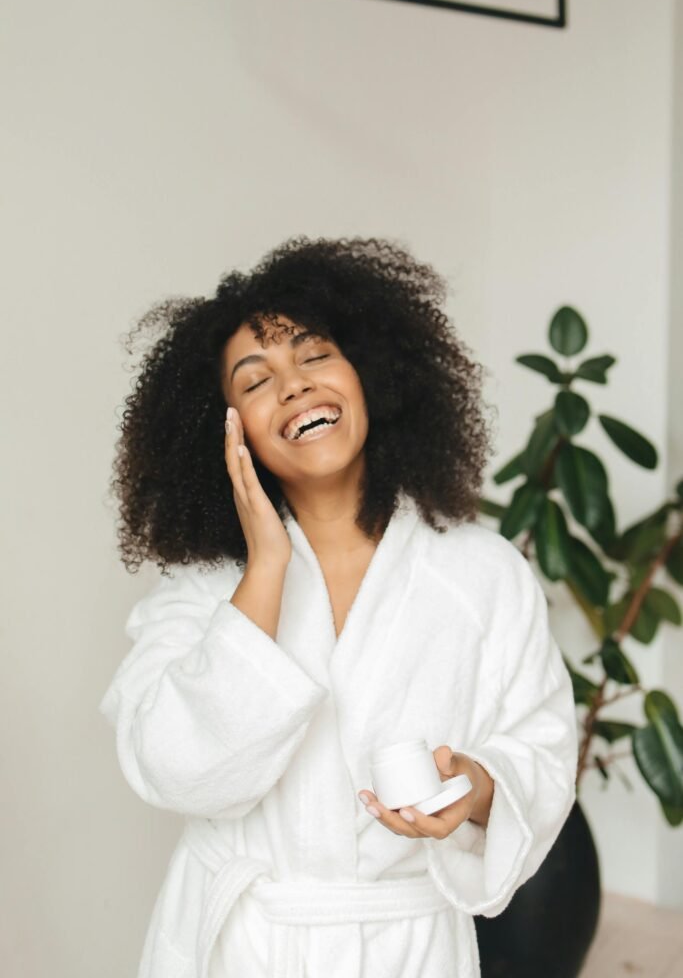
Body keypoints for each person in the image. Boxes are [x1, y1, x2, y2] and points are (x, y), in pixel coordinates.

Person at [99, 236, 578, 978]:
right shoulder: (200, 588)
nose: (292, 385)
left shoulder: (481, 573)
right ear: (228, 431)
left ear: (370, 376)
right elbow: (177, 772)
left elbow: (540, 747)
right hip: (244, 946)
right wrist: (265, 566)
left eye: (314, 354)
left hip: (408, 947)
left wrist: (478, 790)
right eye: (254, 381)